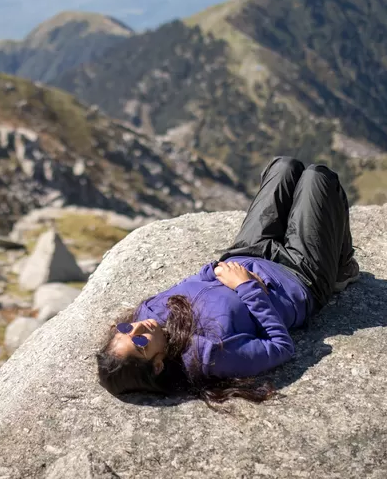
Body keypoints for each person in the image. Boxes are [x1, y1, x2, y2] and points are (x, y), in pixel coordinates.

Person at [96, 156, 360, 405]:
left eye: (125, 330)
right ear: (158, 364)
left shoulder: (147, 312)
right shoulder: (210, 355)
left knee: (283, 166)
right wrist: (247, 287)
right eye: (140, 343)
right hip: (296, 277)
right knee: (318, 178)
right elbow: (280, 347)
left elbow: (193, 281)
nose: (138, 328)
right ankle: (341, 268)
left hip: (246, 253)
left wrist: (215, 270)